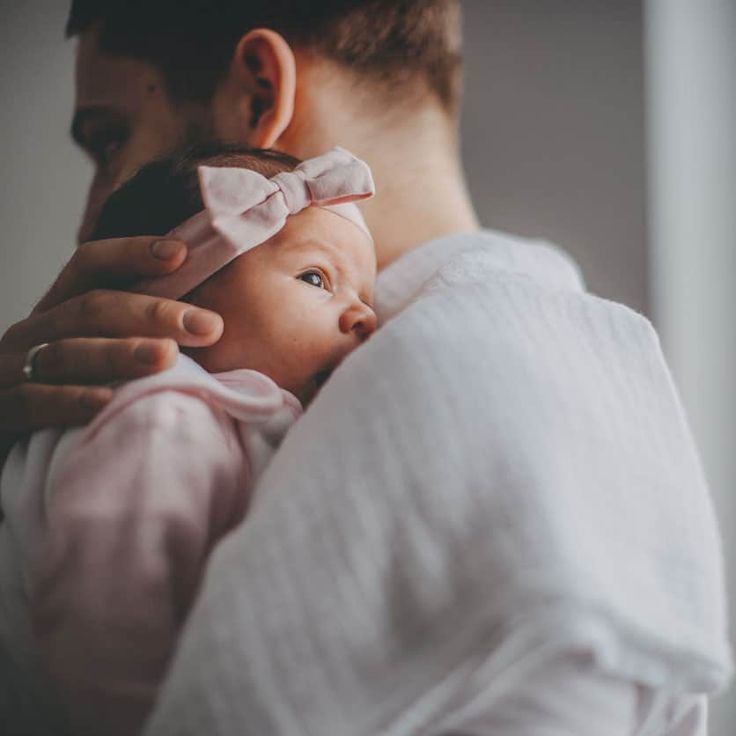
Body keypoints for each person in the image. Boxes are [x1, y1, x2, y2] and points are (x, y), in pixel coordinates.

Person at [0, 1, 730, 734]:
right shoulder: (583, 363)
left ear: (259, 93)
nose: (91, 217)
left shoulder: (441, 386)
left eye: (110, 141)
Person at [0, 144, 377, 736]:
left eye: (365, 298)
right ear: (180, 305)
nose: (364, 317)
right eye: (315, 278)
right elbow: (104, 619)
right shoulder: (163, 415)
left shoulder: (223, 411)